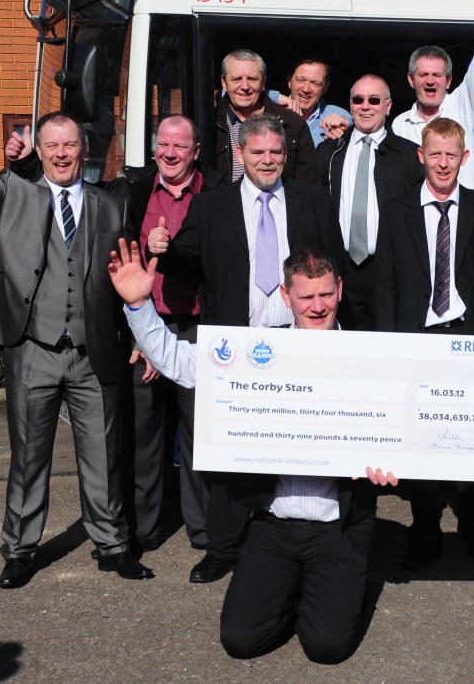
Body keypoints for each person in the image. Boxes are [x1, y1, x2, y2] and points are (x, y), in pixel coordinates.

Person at [108, 241, 396, 663]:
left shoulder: (374, 357)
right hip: (273, 526)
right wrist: (138, 307)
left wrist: (392, 463)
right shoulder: (258, 352)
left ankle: (338, 589)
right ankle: (298, 589)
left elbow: (405, 431)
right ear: (285, 296)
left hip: (337, 529)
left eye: (325, 294)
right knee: (240, 641)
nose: (317, 306)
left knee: (327, 647)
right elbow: (177, 361)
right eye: (305, 296)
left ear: (340, 288)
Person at [0, 55, 152, 587]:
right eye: (51, 145)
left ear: (83, 149)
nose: (60, 153)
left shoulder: (109, 206)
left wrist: (142, 338)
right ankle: (20, 550)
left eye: (69, 144)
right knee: (28, 455)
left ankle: (111, 542)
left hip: (93, 350)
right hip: (31, 350)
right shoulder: (14, 195)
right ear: (42, 151)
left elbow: (128, 281)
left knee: (102, 454)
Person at [6, 114, 224, 558]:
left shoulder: (218, 192)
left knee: (202, 437)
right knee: (142, 439)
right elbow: (56, 195)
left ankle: (205, 536)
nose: (170, 152)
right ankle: (140, 535)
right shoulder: (132, 190)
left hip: (198, 327)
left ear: (196, 151)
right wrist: (136, 336)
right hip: (146, 327)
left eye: (180, 146)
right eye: (163, 143)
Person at [148, 112, 346, 583]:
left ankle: (302, 536)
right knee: (233, 451)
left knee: (301, 443)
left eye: (276, 152)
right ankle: (225, 547)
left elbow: (336, 271)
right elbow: (186, 263)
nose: (268, 160)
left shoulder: (313, 200)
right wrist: (163, 247)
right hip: (237, 346)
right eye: (257, 153)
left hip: (300, 342)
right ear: (240, 155)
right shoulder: (212, 206)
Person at [376, 117, 474, 570]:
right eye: (434, 153)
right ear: (421, 155)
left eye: (451, 155)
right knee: (421, 443)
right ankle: (425, 533)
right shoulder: (396, 211)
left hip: (468, 340)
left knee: (471, 443)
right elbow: (386, 285)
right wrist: (390, 351)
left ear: (464, 158)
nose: (442, 163)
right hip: (417, 341)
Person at [316, 74, 425, 329]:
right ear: (351, 105)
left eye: (374, 100)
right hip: (340, 268)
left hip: (388, 269)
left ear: (388, 106)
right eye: (358, 99)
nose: (366, 106)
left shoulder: (408, 155)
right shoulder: (330, 151)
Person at [392, 0, 474, 192]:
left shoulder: (463, 105)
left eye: (437, 75)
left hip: (463, 215)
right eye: (423, 75)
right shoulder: (399, 124)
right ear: (411, 80)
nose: (430, 80)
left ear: (448, 81)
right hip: (418, 217)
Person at [216, 49, 320, 184]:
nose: (245, 86)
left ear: (263, 82)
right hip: (226, 204)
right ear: (224, 83)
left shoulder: (293, 123)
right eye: (236, 79)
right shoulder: (209, 123)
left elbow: (309, 183)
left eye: (252, 79)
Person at [285, 59, 351, 145]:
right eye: (300, 80)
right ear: (289, 82)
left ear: (325, 88)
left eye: (315, 83)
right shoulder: (271, 110)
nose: (306, 89)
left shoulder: (336, 114)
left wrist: (348, 124)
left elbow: (361, 124)